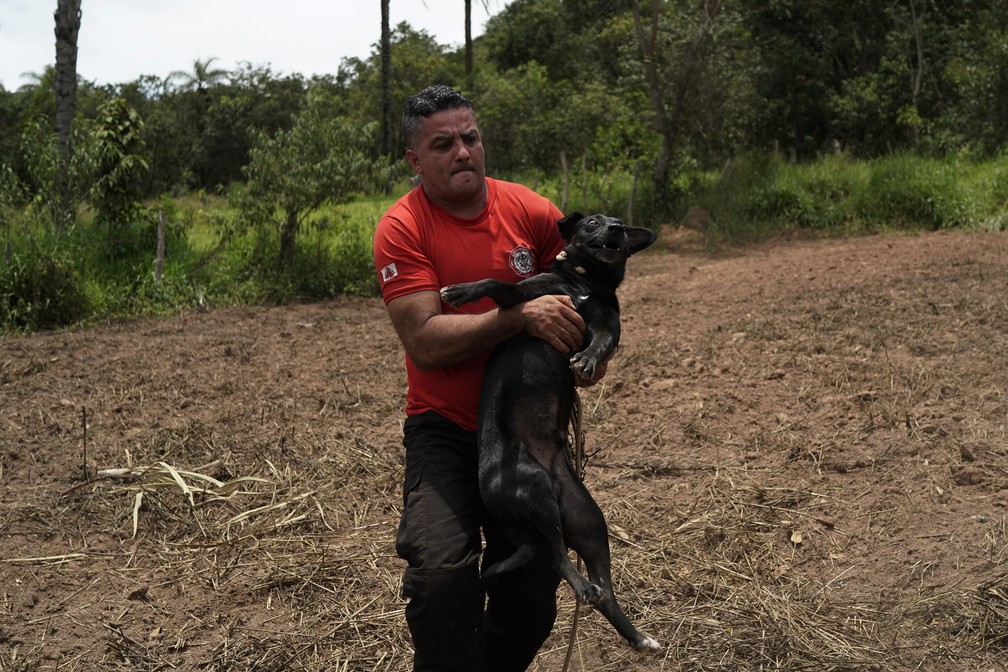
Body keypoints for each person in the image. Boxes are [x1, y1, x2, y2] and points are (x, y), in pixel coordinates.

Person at [373, 85, 604, 671]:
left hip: (527, 432)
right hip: (446, 428)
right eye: (443, 144)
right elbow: (424, 341)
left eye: (470, 138)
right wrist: (519, 316)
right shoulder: (402, 227)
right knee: (441, 574)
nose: (462, 153)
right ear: (415, 160)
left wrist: (593, 350)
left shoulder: (528, 209)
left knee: (531, 592)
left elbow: (589, 286)